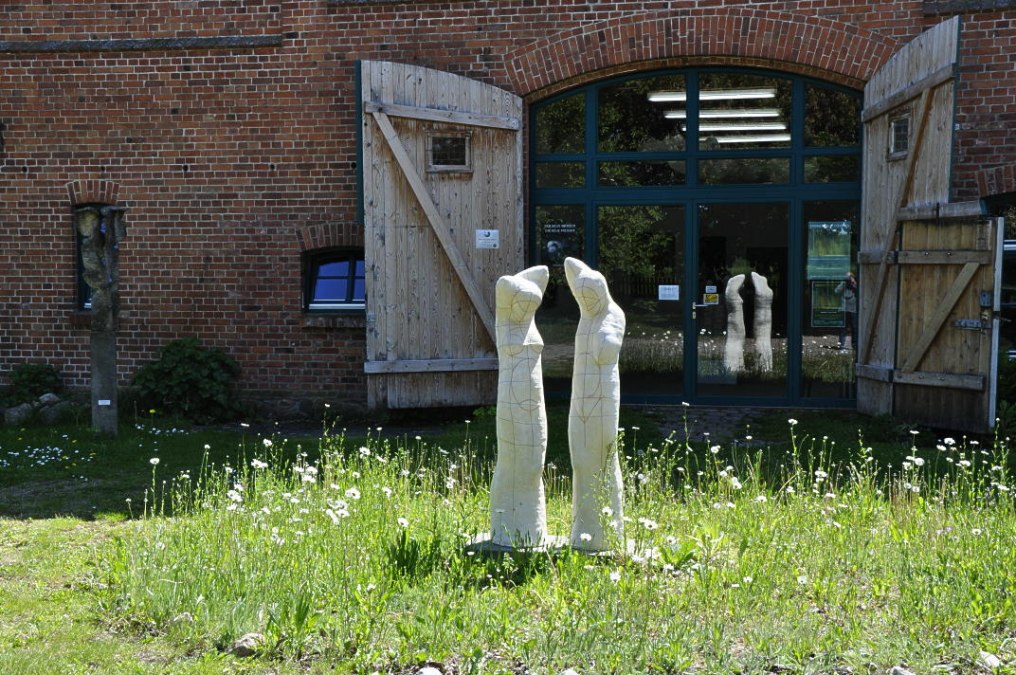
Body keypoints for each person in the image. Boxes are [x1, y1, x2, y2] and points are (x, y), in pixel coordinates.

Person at [835, 272, 858, 349]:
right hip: (843, 309)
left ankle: (854, 346)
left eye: (850, 277)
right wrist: (843, 283)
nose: (848, 279)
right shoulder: (843, 284)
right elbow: (836, 291)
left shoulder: (855, 284)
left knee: (854, 329)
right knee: (842, 329)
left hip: (853, 310)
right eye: (847, 277)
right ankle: (841, 346)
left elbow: (860, 292)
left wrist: (854, 283)